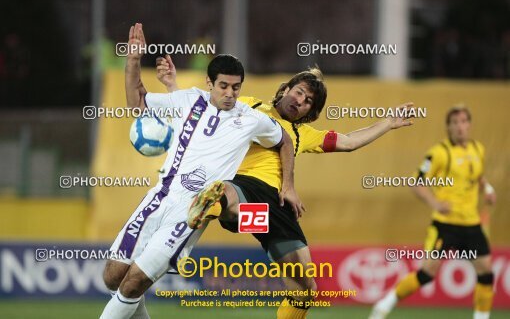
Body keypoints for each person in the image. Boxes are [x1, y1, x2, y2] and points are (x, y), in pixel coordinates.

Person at [157, 55, 415, 319]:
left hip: (273, 209)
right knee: (229, 194)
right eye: (299, 92)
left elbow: (348, 141)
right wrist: (172, 86)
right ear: (285, 90)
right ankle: (211, 204)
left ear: (310, 112)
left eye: (308, 102)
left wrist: (388, 123)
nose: (300, 101)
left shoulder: (303, 134)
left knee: (305, 287)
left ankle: (214, 207)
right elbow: (202, 106)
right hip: (243, 185)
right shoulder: (249, 106)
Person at [100, 23, 298, 319]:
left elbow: (284, 140)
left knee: (135, 282)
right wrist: (132, 60)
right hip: (159, 196)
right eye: (223, 86)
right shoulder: (188, 99)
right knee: (113, 278)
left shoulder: (252, 119)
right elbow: (137, 103)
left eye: (236, 87)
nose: (230, 93)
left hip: (192, 210)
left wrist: (288, 186)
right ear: (209, 82)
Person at [370, 105, 497, 319]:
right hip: (445, 225)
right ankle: (385, 303)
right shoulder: (439, 153)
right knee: (427, 274)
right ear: (448, 127)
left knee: (486, 273)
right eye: (454, 123)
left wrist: (488, 188)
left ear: (469, 125)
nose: (460, 127)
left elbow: (477, 176)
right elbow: (416, 182)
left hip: (472, 224)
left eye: (463, 122)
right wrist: (435, 203)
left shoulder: (478, 149)